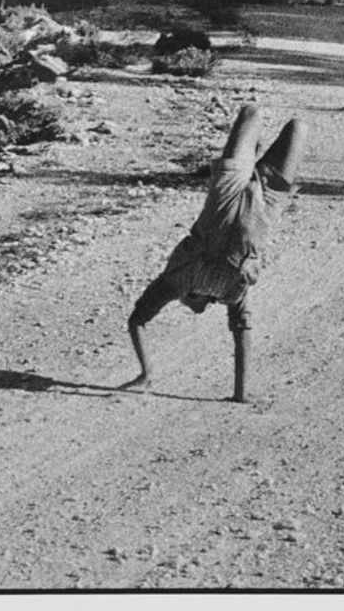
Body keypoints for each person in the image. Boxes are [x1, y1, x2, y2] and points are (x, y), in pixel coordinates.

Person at [120, 104, 304, 403]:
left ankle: (253, 155)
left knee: (269, 119)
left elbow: (137, 320)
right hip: (261, 202)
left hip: (232, 193)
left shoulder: (177, 282)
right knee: (280, 122)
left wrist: (147, 373)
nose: (195, 308)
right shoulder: (230, 293)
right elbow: (242, 332)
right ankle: (254, 156)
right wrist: (240, 394)